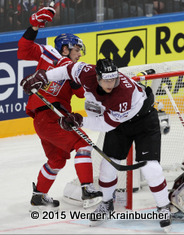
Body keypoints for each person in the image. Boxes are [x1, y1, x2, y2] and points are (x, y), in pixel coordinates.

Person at [20, 58, 174, 231]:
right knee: (107, 168)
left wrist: (79, 121)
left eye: (113, 79)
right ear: (97, 76)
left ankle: (163, 207)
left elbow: (107, 124)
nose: (111, 84)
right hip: (119, 122)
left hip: (144, 121)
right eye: (106, 80)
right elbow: (66, 70)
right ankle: (107, 205)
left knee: (150, 168)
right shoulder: (86, 72)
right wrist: (43, 77)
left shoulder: (122, 95)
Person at [17, 6, 102, 209]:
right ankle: (87, 189)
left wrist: (75, 79)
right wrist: (34, 27)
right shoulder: (48, 53)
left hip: (51, 119)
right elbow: (23, 50)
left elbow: (82, 93)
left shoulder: (76, 70)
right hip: (49, 115)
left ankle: (39, 195)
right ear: (65, 48)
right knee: (83, 144)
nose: (80, 54)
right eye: (77, 49)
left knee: (56, 159)